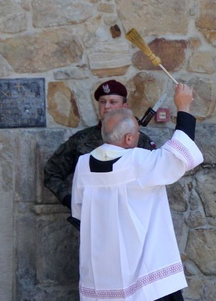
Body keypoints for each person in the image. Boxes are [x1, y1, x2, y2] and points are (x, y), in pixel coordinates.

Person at [45, 83, 203, 301]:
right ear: (130, 139)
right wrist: (184, 107)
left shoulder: (83, 165)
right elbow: (179, 157)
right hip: (143, 268)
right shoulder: (138, 162)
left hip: (102, 270)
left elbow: (78, 211)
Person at [44, 79, 156, 210]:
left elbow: (154, 175)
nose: (107, 106)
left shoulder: (139, 140)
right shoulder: (82, 139)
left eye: (113, 102)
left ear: (124, 106)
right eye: (103, 102)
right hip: (91, 214)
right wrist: (69, 200)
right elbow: (51, 171)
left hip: (130, 215)